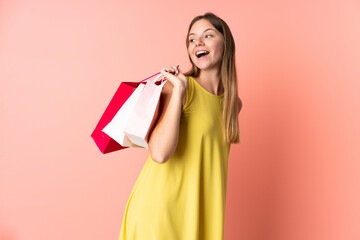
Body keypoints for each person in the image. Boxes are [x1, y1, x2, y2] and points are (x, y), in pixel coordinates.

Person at [118, 12, 242, 240]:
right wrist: (178, 93)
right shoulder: (179, 89)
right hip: (160, 213)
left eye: (208, 35)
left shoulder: (233, 105)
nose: (199, 43)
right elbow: (160, 153)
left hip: (199, 214)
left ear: (226, 43)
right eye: (192, 39)